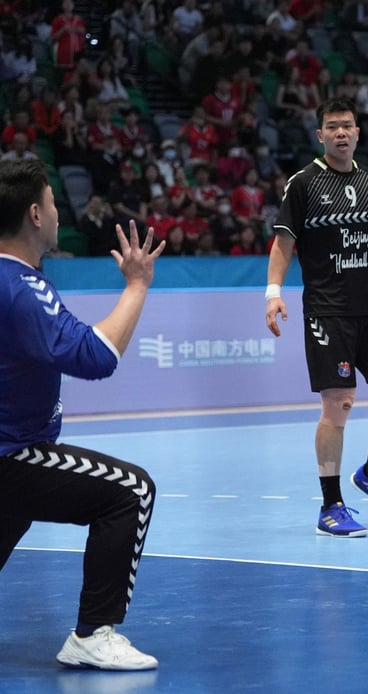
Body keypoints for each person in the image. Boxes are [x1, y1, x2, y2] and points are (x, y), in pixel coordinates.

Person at [0, 160, 163, 669]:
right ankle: (93, 634)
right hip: (13, 454)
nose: (56, 212)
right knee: (130, 491)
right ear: (34, 214)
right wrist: (136, 285)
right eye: (52, 203)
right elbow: (96, 357)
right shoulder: (20, 289)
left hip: (16, 450)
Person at [265, 97, 368, 538]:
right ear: (320, 135)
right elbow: (283, 242)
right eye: (332, 127)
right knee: (338, 405)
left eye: (348, 126)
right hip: (327, 310)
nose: (341, 133)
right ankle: (331, 506)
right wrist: (273, 293)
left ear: (358, 133)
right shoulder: (303, 183)